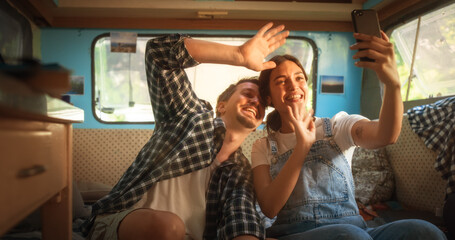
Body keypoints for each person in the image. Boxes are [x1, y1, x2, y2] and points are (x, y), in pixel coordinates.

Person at [80, 22, 289, 240]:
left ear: (258, 124)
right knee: (169, 228)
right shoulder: (190, 117)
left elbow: (241, 219)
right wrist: (238, 54)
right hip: (119, 221)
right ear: (222, 106)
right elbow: (158, 54)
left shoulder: (240, 171)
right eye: (247, 94)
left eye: (261, 104)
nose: (255, 101)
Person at [251, 31, 447, 240]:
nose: (293, 85)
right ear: (269, 98)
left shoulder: (337, 125)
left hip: (356, 230)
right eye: (281, 81)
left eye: (299, 78)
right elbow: (269, 208)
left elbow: (386, 135)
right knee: (350, 236)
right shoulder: (263, 146)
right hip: (295, 233)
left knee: (424, 231)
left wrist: (392, 84)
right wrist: (301, 148)